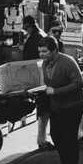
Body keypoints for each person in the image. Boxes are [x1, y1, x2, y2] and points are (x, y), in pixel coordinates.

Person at [38, 36, 83, 164]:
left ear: (54, 50)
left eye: (45, 51)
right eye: (40, 51)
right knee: (56, 135)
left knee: (69, 137)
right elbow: (48, 83)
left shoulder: (67, 62)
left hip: (73, 104)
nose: (41, 54)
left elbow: (79, 83)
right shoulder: (45, 64)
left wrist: (56, 91)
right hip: (57, 105)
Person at [23, 16, 55, 151]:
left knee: (44, 111)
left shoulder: (35, 38)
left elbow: (29, 60)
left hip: (40, 79)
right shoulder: (39, 35)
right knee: (45, 110)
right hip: (42, 79)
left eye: (24, 25)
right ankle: (42, 140)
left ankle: (42, 140)